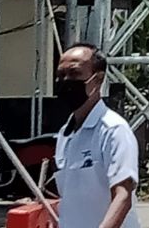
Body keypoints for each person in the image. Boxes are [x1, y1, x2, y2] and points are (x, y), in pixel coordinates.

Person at [54, 43, 140, 228]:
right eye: (61, 75)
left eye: (75, 74)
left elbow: (123, 196)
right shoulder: (65, 135)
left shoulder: (114, 130)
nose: (66, 81)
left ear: (98, 79)